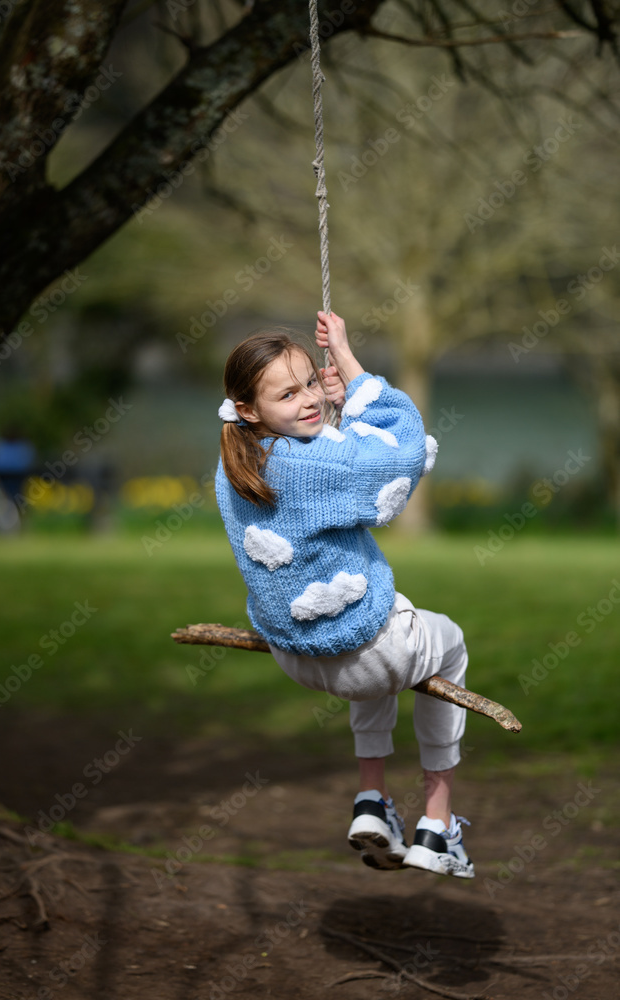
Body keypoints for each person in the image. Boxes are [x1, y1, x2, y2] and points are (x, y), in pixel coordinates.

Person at [214, 311, 474, 878]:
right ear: (249, 409)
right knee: (450, 642)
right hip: (370, 656)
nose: (308, 399)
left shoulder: (237, 457)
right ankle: (438, 821)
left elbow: (330, 457)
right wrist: (353, 373)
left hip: (298, 657)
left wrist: (333, 410)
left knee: (366, 641)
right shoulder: (315, 468)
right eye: (289, 393)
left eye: (311, 381)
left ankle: (372, 801)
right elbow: (401, 452)